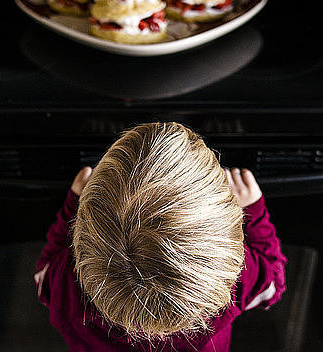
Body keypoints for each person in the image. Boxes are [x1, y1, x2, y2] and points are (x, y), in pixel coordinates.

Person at [34, 122, 286, 351]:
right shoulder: (240, 278)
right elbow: (274, 284)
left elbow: (42, 279)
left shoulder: (67, 280)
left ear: (82, 232)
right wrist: (254, 210)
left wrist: (72, 206)